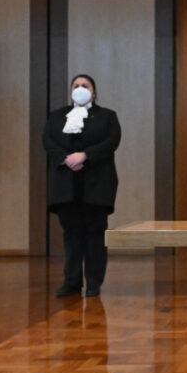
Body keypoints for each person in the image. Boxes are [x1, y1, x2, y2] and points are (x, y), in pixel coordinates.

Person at [43, 75, 121, 298]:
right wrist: (67, 159)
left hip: (96, 183)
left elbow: (111, 142)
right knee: (71, 234)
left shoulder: (107, 116)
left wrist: (85, 156)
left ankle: (94, 282)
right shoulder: (57, 117)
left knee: (95, 233)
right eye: (76, 86)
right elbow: (48, 141)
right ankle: (72, 282)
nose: (80, 89)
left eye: (85, 86)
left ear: (94, 92)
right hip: (66, 184)